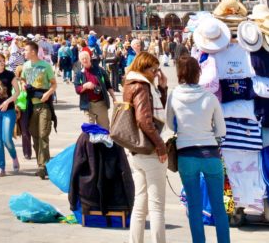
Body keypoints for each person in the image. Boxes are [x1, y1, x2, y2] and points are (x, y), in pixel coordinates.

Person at [166, 55, 228, 243]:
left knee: (194, 206)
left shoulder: (174, 95)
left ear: (179, 73)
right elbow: (222, 130)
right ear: (198, 73)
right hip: (211, 155)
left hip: (186, 154)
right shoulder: (209, 98)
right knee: (218, 207)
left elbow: (170, 124)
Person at [123, 51, 168, 243]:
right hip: (148, 150)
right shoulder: (142, 87)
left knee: (140, 204)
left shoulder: (130, 83)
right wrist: (161, 146)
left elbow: (154, 113)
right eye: (153, 69)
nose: (156, 73)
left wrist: (162, 88)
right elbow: (145, 120)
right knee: (156, 207)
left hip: (136, 150)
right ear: (143, 68)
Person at [19, 40, 56, 179]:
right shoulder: (26, 66)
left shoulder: (45, 66)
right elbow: (22, 79)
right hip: (31, 105)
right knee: (35, 136)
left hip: (44, 105)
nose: (24, 52)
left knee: (43, 135)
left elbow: (54, 85)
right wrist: (23, 84)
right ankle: (42, 164)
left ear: (33, 52)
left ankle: (43, 165)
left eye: (26, 50)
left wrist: (47, 93)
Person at [73, 48, 115, 129]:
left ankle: (103, 142)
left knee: (104, 129)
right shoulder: (79, 73)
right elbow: (77, 90)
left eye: (86, 58)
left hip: (101, 104)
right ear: (80, 61)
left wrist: (114, 98)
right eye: (82, 59)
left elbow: (108, 85)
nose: (85, 60)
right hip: (88, 105)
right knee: (89, 131)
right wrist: (85, 86)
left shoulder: (99, 70)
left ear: (90, 58)